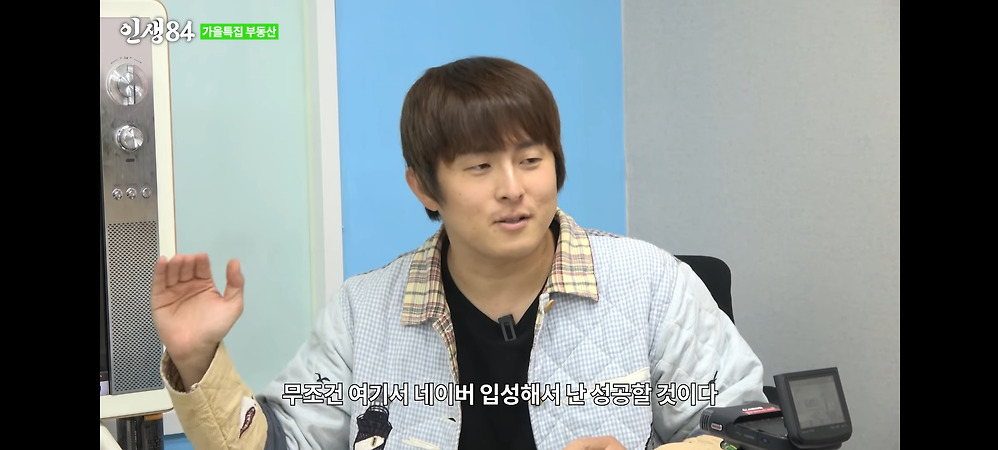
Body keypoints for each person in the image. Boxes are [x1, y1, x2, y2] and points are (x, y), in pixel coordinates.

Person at [152, 56, 767, 450]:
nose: (513, 188)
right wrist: (198, 360)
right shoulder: (364, 312)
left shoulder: (651, 283)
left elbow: (749, 433)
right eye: (480, 167)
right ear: (424, 187)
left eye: (531, 159)